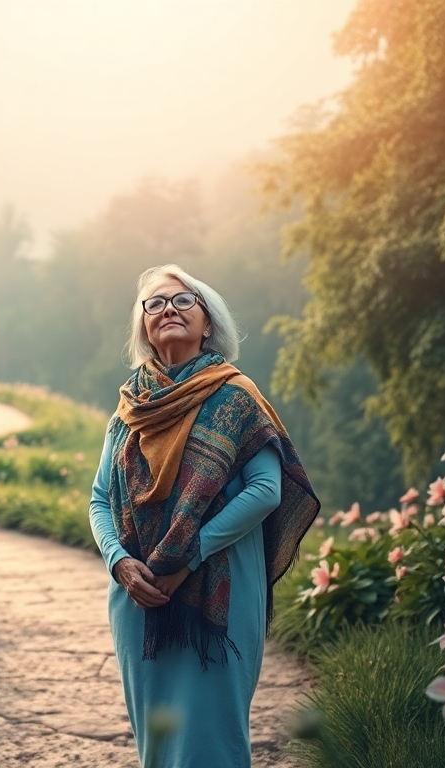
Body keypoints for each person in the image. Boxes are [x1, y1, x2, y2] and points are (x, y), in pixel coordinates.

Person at [88, 264, 319, 768]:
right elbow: (100, 498)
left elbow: (266, 490)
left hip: (219, 587)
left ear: (208, 321)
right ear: (144, 329)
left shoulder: (236, 397)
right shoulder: (129, 409)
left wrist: (187, 559)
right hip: (138, 595)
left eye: (182, 300)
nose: (167, 308)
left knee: (212, 738)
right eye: (154, 303)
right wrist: (119, 564)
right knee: (157, 741)